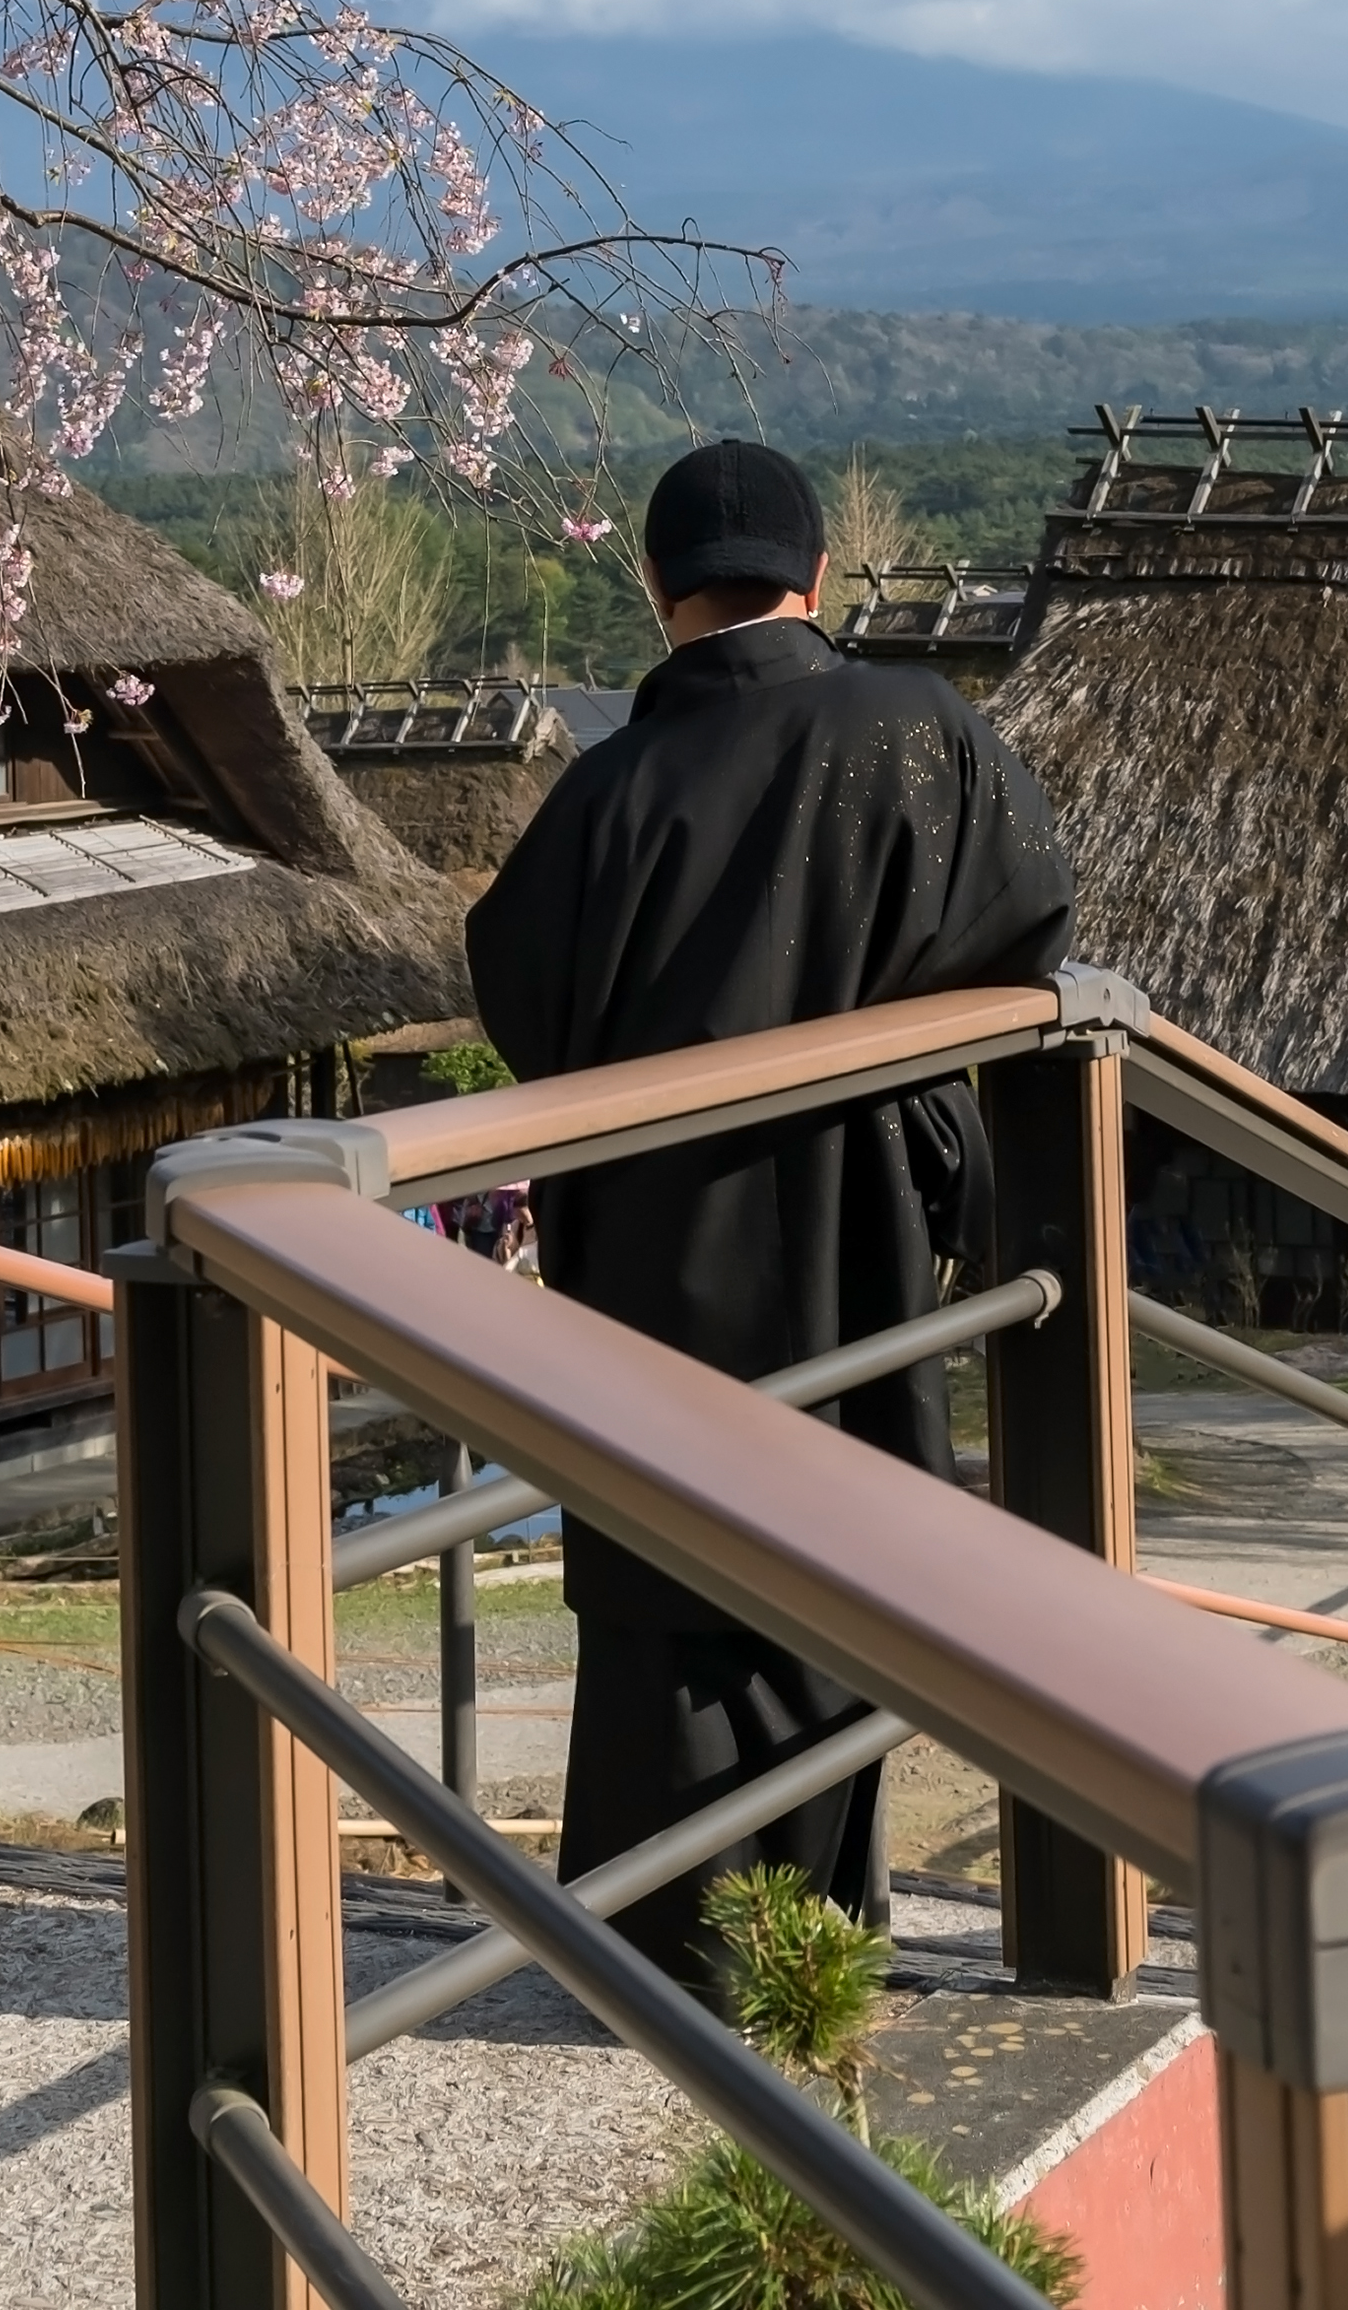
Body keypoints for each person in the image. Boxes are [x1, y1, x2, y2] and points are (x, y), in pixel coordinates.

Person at [464, 437, 1074, 1983]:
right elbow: (1023, 939)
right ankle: (817, 1952)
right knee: (842, 1569)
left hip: (645, 1264)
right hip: (850, 1234)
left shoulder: (603, 796)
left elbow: (523, 995)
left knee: (662, 1592)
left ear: (660, 589)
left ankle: (653, 1952)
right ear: (814, 579)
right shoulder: (915, 733)